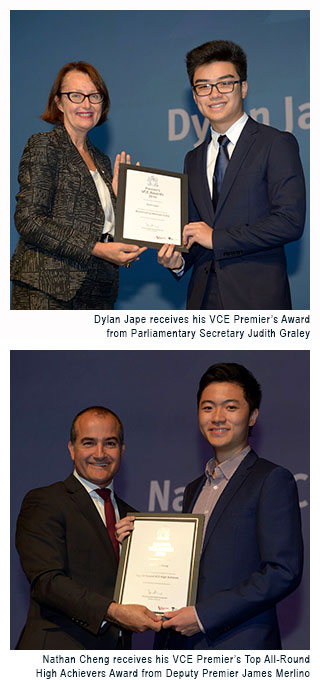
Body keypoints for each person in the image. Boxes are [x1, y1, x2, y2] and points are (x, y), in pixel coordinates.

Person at [120, 363, 304, 649]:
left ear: (252, 416)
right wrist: (137, 543)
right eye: (207, 408)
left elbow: (283, 572)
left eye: (231, 407)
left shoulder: (271, 479)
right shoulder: (195, 488)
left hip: (239, 645)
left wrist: (204, 616)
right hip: (182, 646)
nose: (217, 417)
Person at [158, 40, 306, 309]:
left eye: (225, 83)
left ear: (244, 87)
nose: (214, 94)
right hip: (203, 302)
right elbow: (195, 232)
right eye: (203, 86)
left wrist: (216, 238)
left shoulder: (276, 144)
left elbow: (289, 221)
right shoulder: (193, 159)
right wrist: (179, 261)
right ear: (194, 96)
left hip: (258, 302)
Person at [15, 406, 161, 649]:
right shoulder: (45, 501)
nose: (100, 453)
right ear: (72, 449)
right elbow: (47, 582)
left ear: (122, 450)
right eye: (89, 443)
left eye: (110, 443)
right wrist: (113, 612)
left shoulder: (132, 518)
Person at [11, 61, 147, 309]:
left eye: (94, 96)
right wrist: (96, 248)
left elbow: (101, 225)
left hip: (98, 293)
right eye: (76, 95)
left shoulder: (103, 161)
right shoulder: (45, 145)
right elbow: (29, 220)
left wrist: (121, 200)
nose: (86, 104)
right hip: (47, 290)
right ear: (59, 103)